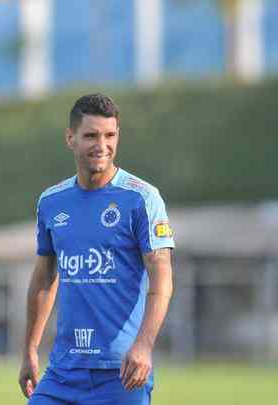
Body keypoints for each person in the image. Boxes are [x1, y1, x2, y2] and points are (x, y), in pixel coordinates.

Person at [18, 93, 174, 404]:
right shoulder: (51, 202)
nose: (101, 145)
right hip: (63, 371)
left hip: (121, 373)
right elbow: (44, 278)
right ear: (70, 138)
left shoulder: (142, 199)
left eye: (110, 135)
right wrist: (30, 350)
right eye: (91, 135)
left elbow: (162, 277)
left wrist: (143, 345)